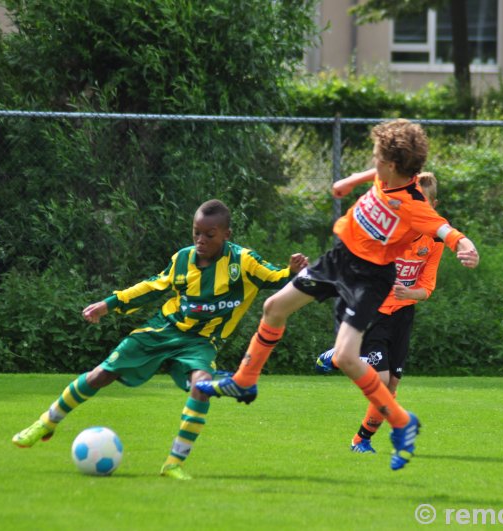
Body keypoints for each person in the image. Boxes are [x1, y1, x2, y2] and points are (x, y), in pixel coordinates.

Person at [197, 119, 479, 471]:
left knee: (347, 357)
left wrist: (466, 247)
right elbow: (373, 172)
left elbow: (447, 231)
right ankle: (244, 381)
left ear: (391, 165)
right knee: (274, 307)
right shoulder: (388, 175)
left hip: (369, 278)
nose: (373, 160)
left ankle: (400, 422)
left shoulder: (414, 203)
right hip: (339, 260)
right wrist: (350, 182)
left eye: (376, 156)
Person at [11, 199, 308, 480]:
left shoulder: (242, 261)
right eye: (196, 233)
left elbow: (276, 278)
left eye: (209, 234)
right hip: (163, 329)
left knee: (201, 386)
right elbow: (151, 287)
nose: (201, 240)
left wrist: (292, 272)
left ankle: (173, 464)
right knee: (103, 374)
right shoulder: (182, 260)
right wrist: (109, 303)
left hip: (201, 342)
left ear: (226, 234)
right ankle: (46, 423)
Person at [315, 171, 444, 455]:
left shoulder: (435, 241)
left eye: (425, 201)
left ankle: (362, 439)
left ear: (432, 205)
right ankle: (341, 356)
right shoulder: (392, 231)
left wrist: (409, 294)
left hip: (403, 316)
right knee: (381, 379)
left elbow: (427, 288)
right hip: (375, 312)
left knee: (391, 385)